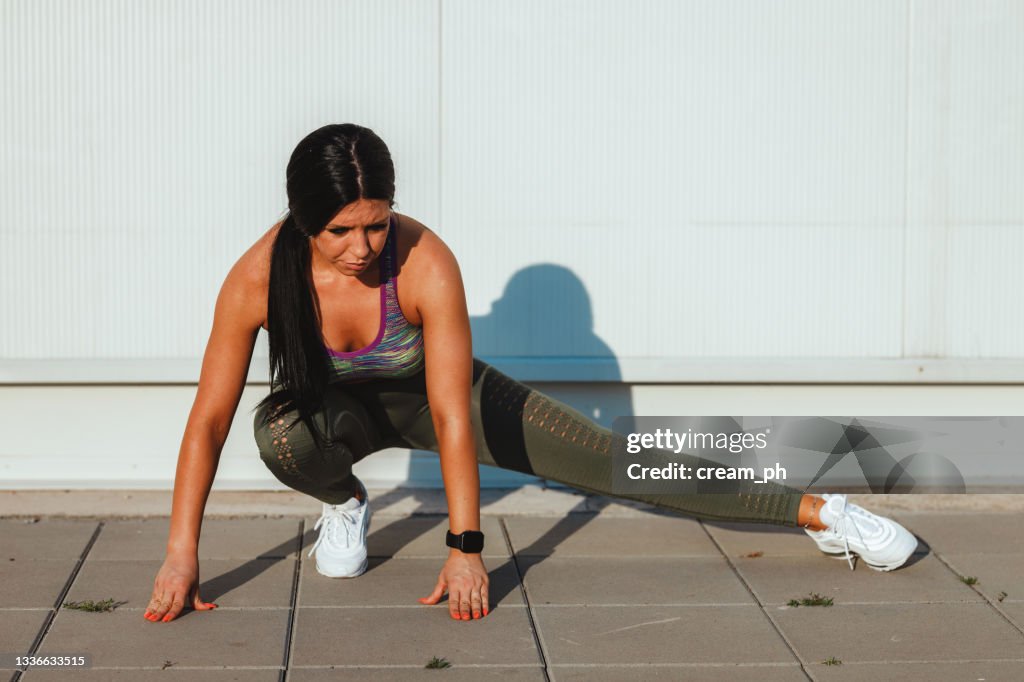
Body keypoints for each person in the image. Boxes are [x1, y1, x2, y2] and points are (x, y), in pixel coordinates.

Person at [144, 124, 918, 625]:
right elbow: (208, 420)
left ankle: (818, 511)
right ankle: (345, 502)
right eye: (341, 230)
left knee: (620, 463)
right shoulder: (258, 275)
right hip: (336, 421)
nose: (363, 245)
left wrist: (466, 543)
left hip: (436, 400)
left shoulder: (423, 261)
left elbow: (450, 415)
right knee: (276, 434)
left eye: (376, 221)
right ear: (303, 221)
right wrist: (183, 551)